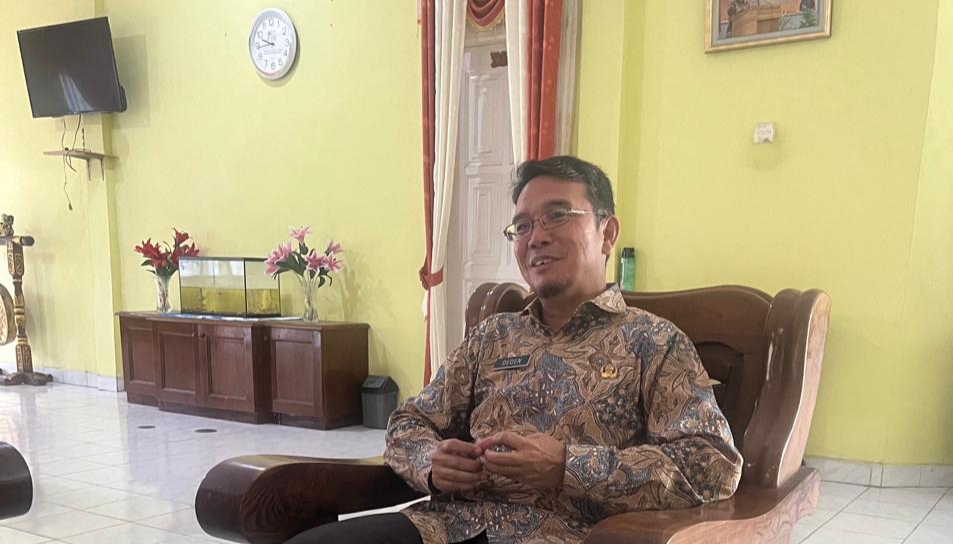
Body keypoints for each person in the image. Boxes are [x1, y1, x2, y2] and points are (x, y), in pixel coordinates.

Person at [285, 156, 742, 544]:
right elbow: (409, 422)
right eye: (522, 225)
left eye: (557, 215)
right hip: (444, 528)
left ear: (606, 233)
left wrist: (567, 465)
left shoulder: (654, 342)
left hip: (567, 535)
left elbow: (711, 466)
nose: (535, 237)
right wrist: (432, 462)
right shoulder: (492, 336)